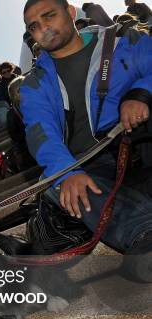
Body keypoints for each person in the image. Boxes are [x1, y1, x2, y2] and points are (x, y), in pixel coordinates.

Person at [21, 0, 152, 280]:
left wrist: (141, 93)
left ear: (70, 13)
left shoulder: (122, 40)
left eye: (49, 16)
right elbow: (40, 133)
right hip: (91, 166)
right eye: (34, 26)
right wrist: (69, 173)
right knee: (57, 183)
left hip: (140, 142)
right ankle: (145, 230)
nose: (43, 28)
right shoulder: (33, 84)